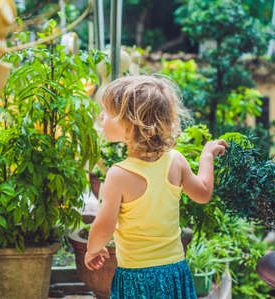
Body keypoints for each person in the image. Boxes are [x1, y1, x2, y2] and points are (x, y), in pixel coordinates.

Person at [85, 75, 228, 298]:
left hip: (136, 278)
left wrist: (92, 250)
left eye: (109, 112)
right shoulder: (176, 160)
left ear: (131, 124)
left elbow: (104, 226)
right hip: (174, 272)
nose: (102, 115)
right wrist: (207, 155)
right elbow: (203, 193)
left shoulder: (119, 175)